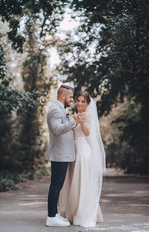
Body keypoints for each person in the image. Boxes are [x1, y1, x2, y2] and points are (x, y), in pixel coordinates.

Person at [59, 90, 106, 228]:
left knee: (82, 183)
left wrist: (80, 121)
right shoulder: (77, 115)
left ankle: (81, 214)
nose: (79, 103)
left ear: (87, 103)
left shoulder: (86, 115)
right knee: (74, 182)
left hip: (83, 153)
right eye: (78, 100)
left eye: (82, 101)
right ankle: (72, 212)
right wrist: (74, 120)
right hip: (74, 153)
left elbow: (86, 133)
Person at [45, 84, 79, 227]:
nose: (72, 100)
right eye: (70, 97)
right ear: (63, 96)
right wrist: (73, 122)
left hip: (62, 154)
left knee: (57, 185)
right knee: (56, 185)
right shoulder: (55, 109)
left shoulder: (60, 109)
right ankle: (51, 217)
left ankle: (55, 214)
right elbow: (56, 130)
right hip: (59, 154)